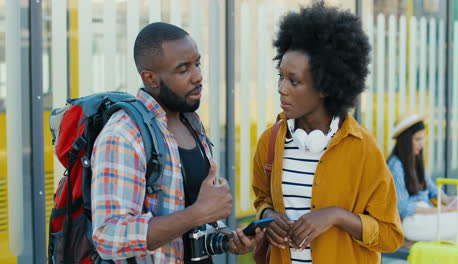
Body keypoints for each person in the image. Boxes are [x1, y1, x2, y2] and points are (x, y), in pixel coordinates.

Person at [91, 22, 263, 263]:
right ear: (150, 78)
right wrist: (197, 214)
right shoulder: (123, 135)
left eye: (197, 64)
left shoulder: (191, 123)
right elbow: (108, 237)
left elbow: (191, 216)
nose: (198, 76)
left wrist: (225, 237)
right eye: (183, 69)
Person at [252, 3, 404, 264]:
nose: (281, 88)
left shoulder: (363, 147)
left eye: (294, 80)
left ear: (325, 86)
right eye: (281, 77)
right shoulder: (271, 140)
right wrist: (268, 215)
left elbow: (390, 236)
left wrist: (337, 216)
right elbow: (262, 201)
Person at [388, 113, 458, 246]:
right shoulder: (396, 166)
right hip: (412, 222)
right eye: (417, 139)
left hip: (426, 216)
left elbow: (431, 189)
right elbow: (402, 207)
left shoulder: (415, 160)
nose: (421, 144)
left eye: (422, 139)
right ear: (406, 141)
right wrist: (438, 210)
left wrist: (448, 200)